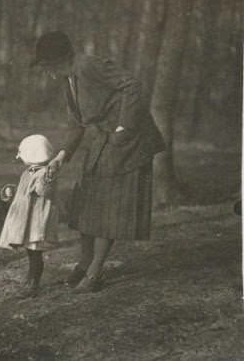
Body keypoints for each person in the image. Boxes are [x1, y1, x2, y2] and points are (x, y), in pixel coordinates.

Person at [32, 31, 164, 293]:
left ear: (57, 60)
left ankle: (94, 273)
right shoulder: (69, 81)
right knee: (86, 200)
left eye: (45, 64)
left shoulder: (87, 65)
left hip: (128, 141)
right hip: (105, 140)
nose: (45, 71)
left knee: (109, 208)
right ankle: (84, 263)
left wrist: (123, 128)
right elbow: (76, 124)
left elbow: (132, 85)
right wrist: (61, 157)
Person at [0, 134, 60, 298]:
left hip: (36, 220)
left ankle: (33, 283)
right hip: (27, 218)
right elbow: (24, 192)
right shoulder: (28, 173)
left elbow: (44, 191)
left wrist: (47, 177)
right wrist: (11, 192)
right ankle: (30, 280)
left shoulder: (45, 174)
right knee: (31, 252)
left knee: (35, 252)